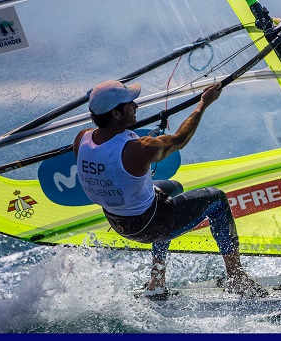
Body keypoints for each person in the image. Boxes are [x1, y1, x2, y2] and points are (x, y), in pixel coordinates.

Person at [74, 80, 268, 300]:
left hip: (118, 221)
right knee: (217, 199)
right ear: (116, 114)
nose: (136, 106)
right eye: (130, 104)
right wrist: (203, 104)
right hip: (150, 225)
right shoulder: (139, 149)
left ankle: (157, 281)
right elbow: (179, 140)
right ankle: (237, 278)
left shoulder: (82, 139)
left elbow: (112, 161)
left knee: (173, 187)